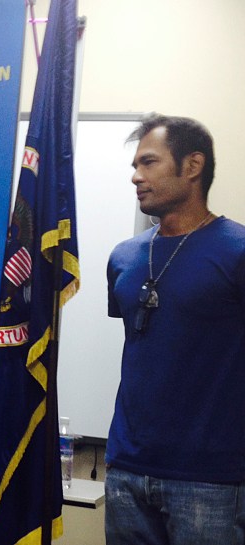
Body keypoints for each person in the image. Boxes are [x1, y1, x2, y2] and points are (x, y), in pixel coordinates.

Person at [105, 114, 245, 544]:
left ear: (192, 166)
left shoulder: (237, 252)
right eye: (134, 165)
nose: (135, 177)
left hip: (211, 480)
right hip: (126, 469)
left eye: (148, 163)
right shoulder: (124, 258)